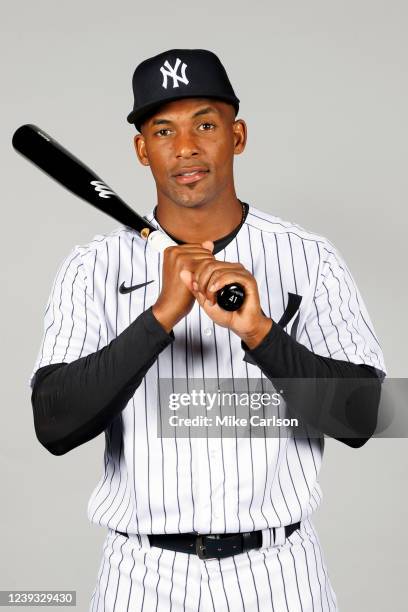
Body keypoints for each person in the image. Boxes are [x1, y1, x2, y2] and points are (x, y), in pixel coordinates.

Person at [29, 49, 386, 611]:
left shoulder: (309, 258)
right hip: (141, 574)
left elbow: (367, 418)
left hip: (279, 572)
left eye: (205, 124)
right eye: (164, 129)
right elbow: (54, 425)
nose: (187, 146)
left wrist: (261, 332)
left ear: (237, 135)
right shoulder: (91, 266)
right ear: (142, 149)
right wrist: (160, 316)